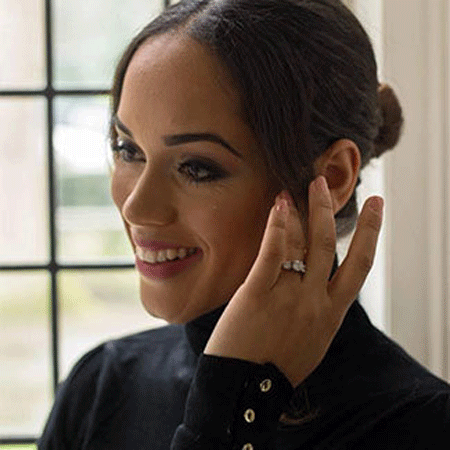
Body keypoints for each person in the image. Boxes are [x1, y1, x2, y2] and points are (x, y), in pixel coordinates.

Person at [38, 0, 450, 448]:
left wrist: (231, 400)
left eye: (196, 167)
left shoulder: (423, 427)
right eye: (128, 150)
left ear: (332, 178)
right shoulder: (100, 389)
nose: (137, 207)